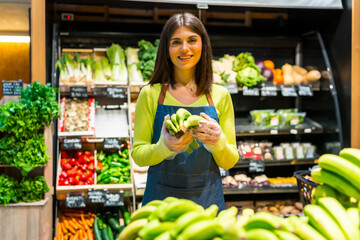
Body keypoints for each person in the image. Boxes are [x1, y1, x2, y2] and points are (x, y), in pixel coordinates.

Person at [131, 12, 239, 211]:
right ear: (166, 48)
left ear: (203, 45)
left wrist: (217, 142)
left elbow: (230, 160)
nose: (185, 48)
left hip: (208, 204)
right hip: (160, 205)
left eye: (192, 40)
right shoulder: (150, 94)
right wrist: (164, 146)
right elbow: (138, 154)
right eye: (176, 42)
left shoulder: (220, 95)